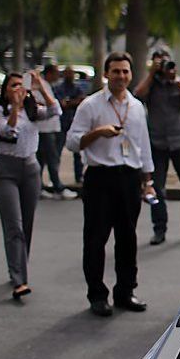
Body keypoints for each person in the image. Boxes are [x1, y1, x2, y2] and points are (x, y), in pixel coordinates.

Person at [66, 52, 156, 317]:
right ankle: (97, 294)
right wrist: (97, 133)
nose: (121, 76)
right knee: (96, 239)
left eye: (125, 71)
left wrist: (147, 179)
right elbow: (72, 141)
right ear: (106, 74)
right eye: (115, 71)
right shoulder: (91, 106)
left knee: (127, 238)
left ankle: (125, 291)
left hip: (129, 177)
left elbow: (143, 146)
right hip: (100, 176)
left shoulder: (136, 106)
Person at [0, 71, 60, 300]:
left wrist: (40, 87)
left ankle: (18, 267)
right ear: (5, 90)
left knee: (27, 224)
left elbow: (55, 111)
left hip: (30, 169)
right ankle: (19, 280)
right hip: (6, 171)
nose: (18, 89)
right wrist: (16, 108)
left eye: (21, 85)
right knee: (14, 226)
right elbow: (8, 131)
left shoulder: (33, 111)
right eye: (13, 85)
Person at [134, 49, 180, 245]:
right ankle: (159, 229)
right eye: (159, 63)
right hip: (157, 142)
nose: (164, 66)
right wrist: (151, 74)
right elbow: (137, 96)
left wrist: (174, 80)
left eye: (166, 62)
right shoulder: (150, 85)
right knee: (157, 188)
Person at [33, 65, 76, 200]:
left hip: (49, 127)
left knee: (42, 159)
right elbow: (47, 105)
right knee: (52, 158)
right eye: (57, 73)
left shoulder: (47, 85)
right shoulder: (41, 86)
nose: (59, 76)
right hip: (45, 129)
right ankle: (57, 187)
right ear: (49, 73)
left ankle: (38, 187)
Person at [53, 66, 85, 184]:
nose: (70, 76)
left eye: (71, 73)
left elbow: (82, 102)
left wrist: (69, 102)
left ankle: (79, 176)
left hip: (74, 122)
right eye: (68, 73)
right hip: (62, 122)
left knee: (78, 151)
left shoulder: (77, 88)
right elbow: (62, 105)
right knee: (57, 151)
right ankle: (55, 177)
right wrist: (73, 102)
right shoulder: (59, 88)